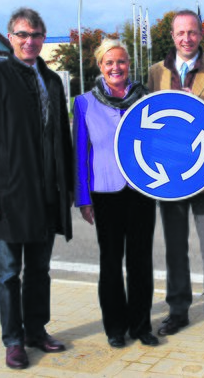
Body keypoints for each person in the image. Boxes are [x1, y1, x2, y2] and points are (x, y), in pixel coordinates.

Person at [0, 7, 74, 369]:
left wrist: (69, 187)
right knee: (9, 271)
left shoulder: (52, 80)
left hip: (47, 193)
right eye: (22, 34)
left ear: (44, 39)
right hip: (10, 194)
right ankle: (13, 340)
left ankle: (35, 330)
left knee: (40, 271)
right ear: (9, 37)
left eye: (36, 35)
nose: (30, 41)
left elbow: (63, 137)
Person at [147, 9, 204, 339]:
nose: (187, 38)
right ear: (173, 36)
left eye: (192, 32)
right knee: (174, 248)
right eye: (181, 33)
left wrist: (197, 111)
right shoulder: (156, 71)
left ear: (201, 35)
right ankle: (178, 311)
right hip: (169, 176)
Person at [73, 38, 158, 349]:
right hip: (105, 193)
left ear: (128, 65)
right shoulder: (84, 103)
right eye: (109, 63)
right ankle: (115, 327)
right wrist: (82, 198)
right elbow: (80, 153)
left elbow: (160, 140)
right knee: (110, 263)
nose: (116, 68)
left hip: (140, 191)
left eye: (121, 62)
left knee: (140, 262)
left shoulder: (145, 98)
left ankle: (141, 325)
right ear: (100, 66)